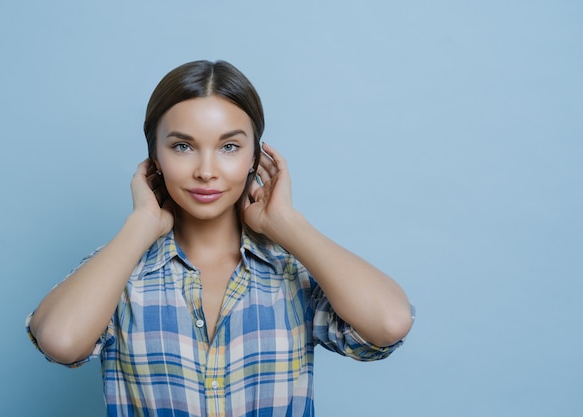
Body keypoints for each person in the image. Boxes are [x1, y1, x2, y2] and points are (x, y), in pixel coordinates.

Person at [26, 59, 414, 417]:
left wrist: (286, 221)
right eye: (182, 146)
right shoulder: (118, 270)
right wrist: (141, 223)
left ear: (254, 158)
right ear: (154, 158)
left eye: (229, 146)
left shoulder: (293, 270)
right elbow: (60, 341)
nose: (206, 171)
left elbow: (389, 322)